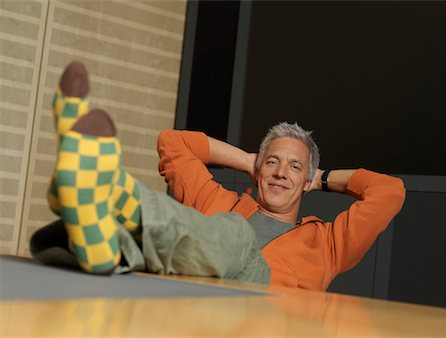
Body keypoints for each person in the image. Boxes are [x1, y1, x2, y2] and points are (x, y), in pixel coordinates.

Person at [30, 61, 406, 291]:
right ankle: (100, 236)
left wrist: (322, 177)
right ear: (260, 168)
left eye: (294, 167)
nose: (279, 173)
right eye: (272, 162)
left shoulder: (328, 244)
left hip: (262, 314)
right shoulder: (222, 202)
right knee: (158, 236)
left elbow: (389, 192)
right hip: (192, 300)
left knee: (234, 236)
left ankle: (101, 183)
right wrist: (246, 159)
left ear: (306, 181)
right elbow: (173, 143)